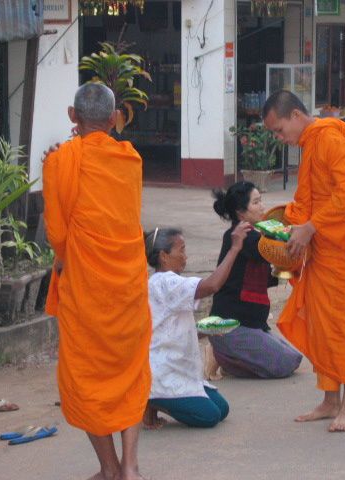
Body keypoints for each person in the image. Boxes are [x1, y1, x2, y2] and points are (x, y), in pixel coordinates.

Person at [43, 83, 151, 480]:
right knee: (131, 368)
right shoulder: (130, 159)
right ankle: (131, 467)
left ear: (73, 116)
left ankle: (108, 467)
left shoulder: (61, 161)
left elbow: (56, 233)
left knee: (85, 374)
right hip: (127, 285)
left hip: (85, 287)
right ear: (113, 119)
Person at [263, 90, 345, 432]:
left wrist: (310, 226)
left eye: (279, 130)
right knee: (322, 327)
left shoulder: (329, 138)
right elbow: (313, 196)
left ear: (296, 115)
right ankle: (329, 400)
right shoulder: (312, 143)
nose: (280, 139)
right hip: (323, 250)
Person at [143, 223, 250, 429]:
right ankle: (152, 400)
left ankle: (157, 399)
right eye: (181, 250)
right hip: (164, 371)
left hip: (178, 369)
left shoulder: (163, 282)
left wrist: (207, 331)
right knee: (209, 417)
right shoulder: (166, 281)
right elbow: (212, 285)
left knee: (221, 410)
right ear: (164, 256)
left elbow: (170, 329)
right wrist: (234, 248)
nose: (185, 256)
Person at [208, 181, 302, 379]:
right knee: (286, 363)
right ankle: (225, 356)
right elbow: (280, 251)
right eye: (256, 202)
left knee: (294, 356)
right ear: (241, 212)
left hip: (251, 323)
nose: (262, 207)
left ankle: (229, 355)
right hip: (232, 324)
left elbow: (269, 275)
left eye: (261, 201)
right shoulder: (243, 237)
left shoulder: (254, 235)